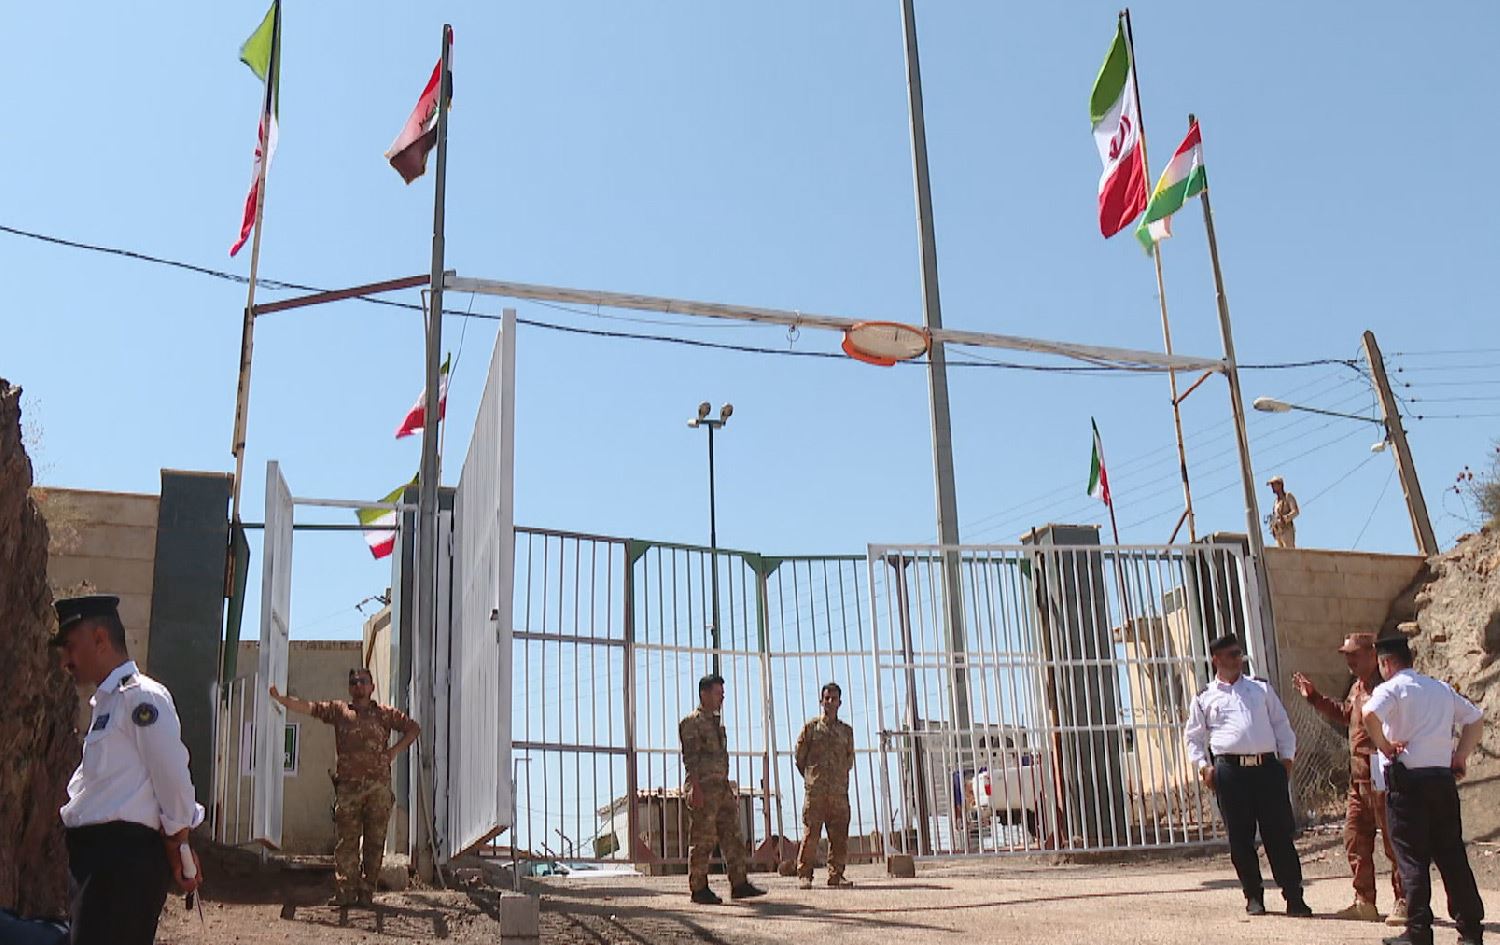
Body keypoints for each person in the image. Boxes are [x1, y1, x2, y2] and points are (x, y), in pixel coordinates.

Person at [49, 594, 204, 945]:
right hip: (97, 864)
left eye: (71, 647)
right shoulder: (109, 703)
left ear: (100, 639)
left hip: (120, 865)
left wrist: (178, 843)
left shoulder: (140, 698)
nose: (66, 661)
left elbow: (172, 777)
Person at [1362, 635, 1485, 945]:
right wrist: (1460, 756)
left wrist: (1385, 746)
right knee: (1452, 856)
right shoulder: (1439, 688)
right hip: (1442, 781)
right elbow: (1475, 719)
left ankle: (1418, 932)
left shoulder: (1391, 689)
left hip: (1407, 785)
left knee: (1412, 860)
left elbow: (1369, 715)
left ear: (1385, 663)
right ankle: (1471, 930)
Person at [1184, 633, 1311, 917]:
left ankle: (1294, 896)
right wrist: (1204, 767)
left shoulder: (1260, 688)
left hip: (1267, 769)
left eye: (1239, 653)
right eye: (1231, 654)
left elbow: (1281, 725)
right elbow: (1193, 737)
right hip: (1231, 773)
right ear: (1216, 659)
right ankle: (1253, 895)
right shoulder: (1205, 697)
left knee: (1279, 835)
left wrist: (1286, 760)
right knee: (1240, 838)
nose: (1237, 659)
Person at [270, 668, 420, 907]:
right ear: (350, 688)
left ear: (372, 687)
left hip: (378, 789)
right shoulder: (339, 711)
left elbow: (413, 729)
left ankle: (366, 893)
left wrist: (393, 752)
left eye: (363, 681)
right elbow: (309, 707)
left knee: (374, 843)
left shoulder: (384, 714)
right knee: (346, 844)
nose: (358, 685)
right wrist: (281, 700)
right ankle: (345, 893)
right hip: (348, 789)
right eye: (354, 682)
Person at [1292, 632, 1405, 922]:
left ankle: (1404, 900)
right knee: (1355, 837)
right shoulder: (1357, 688)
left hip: (1382, 774)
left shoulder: (1387, 689)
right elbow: (1346, 715)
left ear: (1373, 655)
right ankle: (1364, 901)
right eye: (1346, 656)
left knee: (1393, 841)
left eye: (1354, 655)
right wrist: (1315, 698)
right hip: (1358, 779)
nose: (1349, 661)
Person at [679, 673, 766, 905]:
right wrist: (695, 788)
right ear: (704, 694)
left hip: (721, 788)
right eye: (718, 693)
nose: (722, 698)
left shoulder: (716, 724)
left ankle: (739, 883)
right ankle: (699, 888)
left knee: (733, 835)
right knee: (703, 839)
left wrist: (728, 788)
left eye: (723, 693)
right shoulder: (692, 723)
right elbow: (690, 759)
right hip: (703, 788)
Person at [793, 682, 856, 889]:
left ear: (840, 703)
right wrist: (812, 779)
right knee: (811, 834)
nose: (830, 702)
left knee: (839, 835)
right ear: (821, 701)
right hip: (816, 792)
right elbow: (800, 758)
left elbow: (849, 760)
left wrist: (838, 778)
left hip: (838, 792)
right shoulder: (811, 729)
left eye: (834, 699)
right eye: (826, 698)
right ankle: (805, 874)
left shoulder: (846, 732)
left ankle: (836, 874)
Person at [1267, 475, 1299, 548]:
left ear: (1280, 485)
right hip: (1278, 532)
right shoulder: (1275, 502)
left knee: (1288, 551)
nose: (1272, 487)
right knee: (1279, 552)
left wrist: (1285, 518)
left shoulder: (1288, 496)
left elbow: (1295, 511)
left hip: (1287, 530)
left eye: (1274, 484)